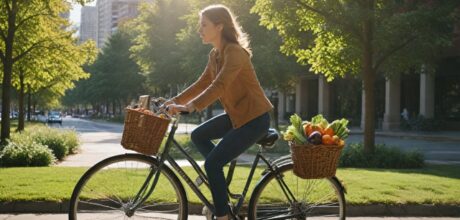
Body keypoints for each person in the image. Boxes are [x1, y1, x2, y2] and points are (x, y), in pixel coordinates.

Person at [165, 4, 273, 219]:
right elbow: (201, 83)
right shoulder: (215, 54)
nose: (200, 29)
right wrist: (174, 101)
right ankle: (219, 187)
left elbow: (219, 86)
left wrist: (190, 107)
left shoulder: (235, 53)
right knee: (198, 136)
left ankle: (223, 215)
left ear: (219, 26)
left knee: (213, 163)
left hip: (255, 119)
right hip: (238, 117)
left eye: (204, 25)